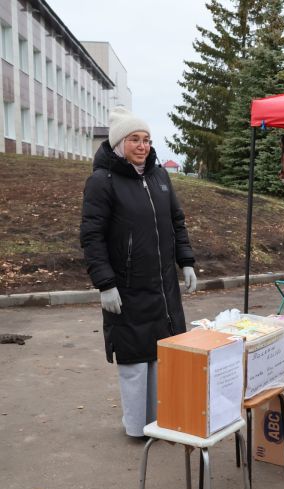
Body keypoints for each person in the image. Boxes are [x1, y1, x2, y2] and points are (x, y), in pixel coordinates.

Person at [80, 106, 197, 440]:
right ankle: (136, 427)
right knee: (134, 360)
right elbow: (92, 237)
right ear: (120, 144)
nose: (142, 146)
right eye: (134, 139)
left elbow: (177, 221)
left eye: (146, 139)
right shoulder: (103, 182)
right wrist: (105, 284)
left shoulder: (160, 177)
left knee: (163, 354)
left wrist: (185, 261)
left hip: (163, 284)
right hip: (128, 287)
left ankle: (162, 419)